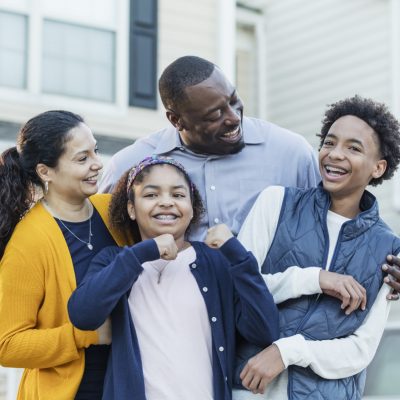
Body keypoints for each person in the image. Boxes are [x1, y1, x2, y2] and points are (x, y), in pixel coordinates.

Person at [68, 156, 280, 400]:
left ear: (192, 209)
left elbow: (265, 331)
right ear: (131, 209)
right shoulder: (115, 260)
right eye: (151, 195)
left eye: (178, 195)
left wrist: (238, 255)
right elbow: (82, 314)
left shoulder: (216, 262)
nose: (166, 202)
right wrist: (142, 253)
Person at [234, 96, 400, 399]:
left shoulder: (388, 248)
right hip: (249, 391)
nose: (334, 154)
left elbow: (360, 349)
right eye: (329, 142)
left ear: (378, 167)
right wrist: (313, 279)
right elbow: (236, 291)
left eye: (353, 148)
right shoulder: (275, 203)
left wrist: (288, 351)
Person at [99, 55, 320, 240]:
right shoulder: (129, 166)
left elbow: (327, 229)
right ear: (176, 120)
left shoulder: (291, 153)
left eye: (233, 100)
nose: (234, 118)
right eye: (215, 114)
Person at [0, 110, 131, 399]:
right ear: (45, 171)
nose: (97, 164)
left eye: (95, 151)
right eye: (82, 159)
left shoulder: (112, 210)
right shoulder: (28, 242)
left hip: (125, 383)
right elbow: (7, 345)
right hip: (71, 392)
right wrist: (85, 335)